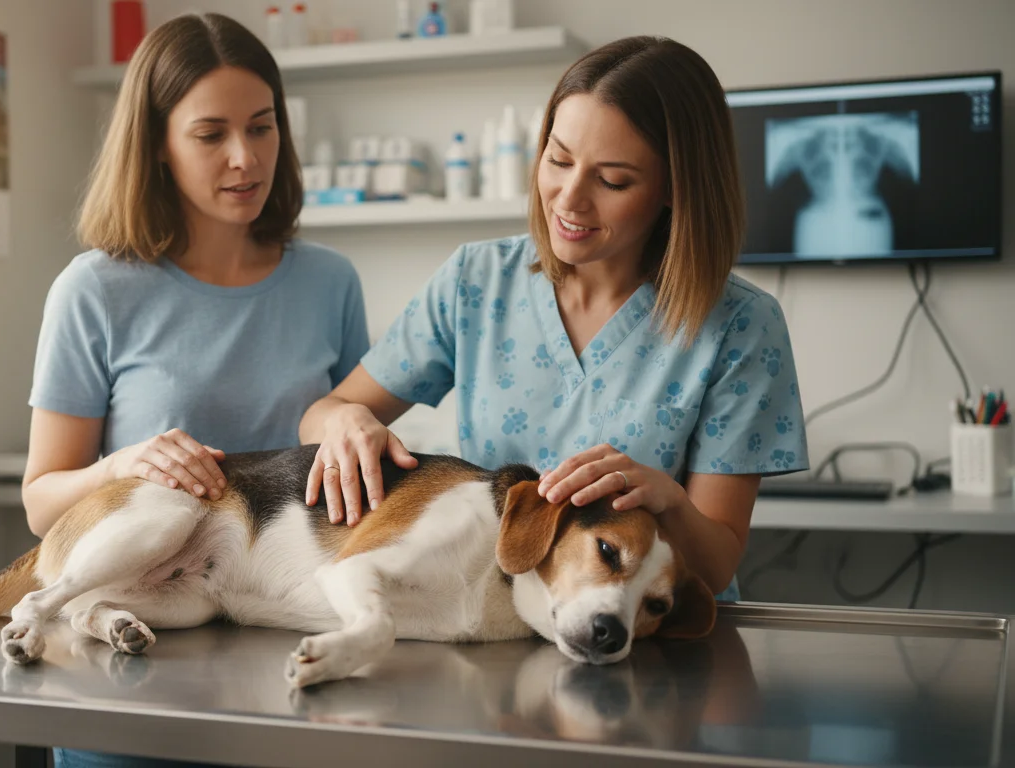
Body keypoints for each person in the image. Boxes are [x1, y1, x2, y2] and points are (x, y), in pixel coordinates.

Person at [300, 36, 809, 603]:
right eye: (559, 159)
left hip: (645, 638)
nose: (569, 199)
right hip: (492, 618)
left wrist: (666, 499)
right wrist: (345, 424)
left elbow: (712, 571)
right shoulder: (478, 281)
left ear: (676, 189)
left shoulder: (742, 326)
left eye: (612, 180)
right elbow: (320, 416)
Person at [23, 13, 368, 767]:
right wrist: (123, 466)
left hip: (294, 667)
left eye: (263, 127)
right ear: (156, 145)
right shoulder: (95, 290)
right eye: (211, 134)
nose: (246, 158)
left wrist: (355, 427)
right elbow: (42, 499)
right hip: (131, 677)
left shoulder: (330, 284)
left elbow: (349, 458)